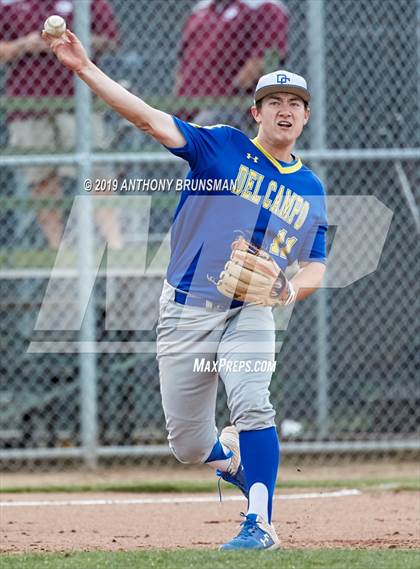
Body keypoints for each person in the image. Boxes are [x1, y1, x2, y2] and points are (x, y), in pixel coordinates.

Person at [43, 29, 327, 550]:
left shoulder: (310, 188)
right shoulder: (220, 145)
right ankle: (238, 464)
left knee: (253, 404)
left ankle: (259, 523)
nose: (285, 110)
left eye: (295, 103)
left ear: (306, 117)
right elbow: (148, 117)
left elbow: (316, 267)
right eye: (274, 102)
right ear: (256, 112)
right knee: (190, 445)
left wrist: (286, 290)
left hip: (251, 309)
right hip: (185, 309)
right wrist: (83, 67)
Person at [0, 0, 122, 249]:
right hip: (28, 105)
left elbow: (110, 41)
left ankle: (115, 245)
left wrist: (69, 42)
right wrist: (24, 45)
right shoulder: (9, 4)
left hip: (79, 100)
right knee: (41, 178)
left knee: (96, 172)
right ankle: (59, 250)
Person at [176, 0, 288, 128]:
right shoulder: (201, 9)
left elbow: (260, 61)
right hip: (188, 106)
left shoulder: (265, 7)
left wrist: (226, 100)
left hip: (231, 106)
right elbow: (182, 65)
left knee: (206, 126)